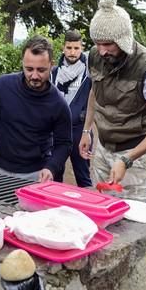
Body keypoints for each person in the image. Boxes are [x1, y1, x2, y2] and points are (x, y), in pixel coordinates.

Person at [79, 0, 146, 202]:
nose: (101, 51)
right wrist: (87, 130)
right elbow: (95, 92)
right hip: (103, 148)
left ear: (123, 39)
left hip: (134, 151)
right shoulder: (94, 55)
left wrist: (127, 160)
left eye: (108, 44)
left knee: (131, 214)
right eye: (97, 43)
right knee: (100, 204)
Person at [0, 35, 72, 182]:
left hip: (37, 173)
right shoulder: (2, 86)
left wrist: (51, 167)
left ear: (51, 65)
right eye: (29, 69)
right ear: (23, 63)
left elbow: (64, 143)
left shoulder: (58, 103)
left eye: (41, 70)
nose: (34, 76)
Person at [51, 30, 93, 187]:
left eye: (76, 48)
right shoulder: (54, 73)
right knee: (55, 174)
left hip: (80, 129)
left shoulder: (89, 72)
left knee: (83, 177)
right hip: (57, 130)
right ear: (63, 48)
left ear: (81, 48)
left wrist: (87, 131)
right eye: (69, 48)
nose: (72, 52)